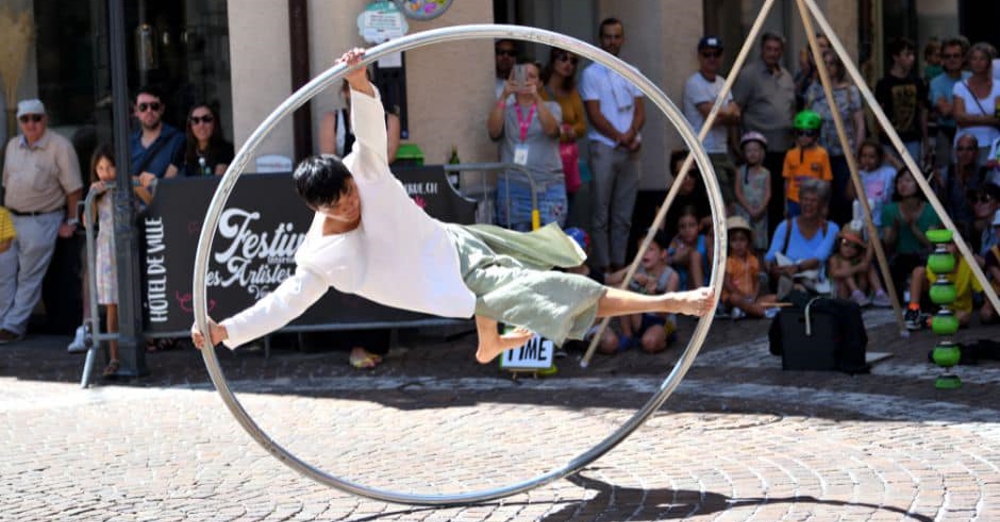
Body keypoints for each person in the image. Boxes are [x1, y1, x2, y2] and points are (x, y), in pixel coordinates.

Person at [189, 48, 715, 364]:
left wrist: (357, 80)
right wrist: (223, 331)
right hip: (452, 285)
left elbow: (368, 124)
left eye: (350, 192)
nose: (353, 204)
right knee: (558, 290)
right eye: (341, 205)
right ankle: (675, 304)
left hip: (457, 242)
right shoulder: (319, 258)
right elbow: (282, 305)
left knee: (544, 260)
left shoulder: (363, 167)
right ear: (318, 209)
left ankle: (490, 346)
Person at [319, 74, 403, 369]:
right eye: (349, 88)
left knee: (378, 265)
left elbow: (387, 155)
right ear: (344, 92)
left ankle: (378, 339)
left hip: (376, 199)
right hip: (344, 201)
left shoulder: (389, 119)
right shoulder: (333, 118)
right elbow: (329, 159)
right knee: (348, 265)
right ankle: (353, 341)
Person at [0, 99, 83, 344]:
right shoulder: (13, 145)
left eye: (36, 118)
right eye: (25, 119)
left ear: (45, 119)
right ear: (19, 122)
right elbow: (6, 183)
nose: (31, 124)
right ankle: (2, 320)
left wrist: (71, 221)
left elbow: (74, 189)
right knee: (3, 272)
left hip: (43, 219)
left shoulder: (60, 146)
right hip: (12, 218)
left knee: (29, 275)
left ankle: (13, 327)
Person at [579, 17, 645, 272]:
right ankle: (603, 269)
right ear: (600, 39)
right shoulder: (590, 73)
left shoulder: (632, 71)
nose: (612, 41)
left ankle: (620, 265)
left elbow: (641, 111)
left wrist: (631, 134)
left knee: (623, 213)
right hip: (604, 147)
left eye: (617, 36)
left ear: (623, 39)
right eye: (608, 36)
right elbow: (594, 114)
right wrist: (621, 137)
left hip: (631, 148)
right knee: (600, 212)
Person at [86, 145, 153, 376]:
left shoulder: (126, 186)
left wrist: (135, 183)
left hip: (129, 248)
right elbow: (88, 221)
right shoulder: (98, 192)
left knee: (133, 301)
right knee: (111, 306)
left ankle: (142, 348)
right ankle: (114, 357)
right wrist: (93, 196)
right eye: (101, 168)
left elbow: (150, 201)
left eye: (111, 167)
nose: (106, 173)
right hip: (106, 251)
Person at [489, 59, 567, 230]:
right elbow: (493, 132)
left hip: (548, 186)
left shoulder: (552, 107)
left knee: (550, 244)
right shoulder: (506, 110)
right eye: (521, 75)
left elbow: (552, 130)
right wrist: (504, 95)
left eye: (531, 76)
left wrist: (536, 98)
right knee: (519, 246)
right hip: (514, 187)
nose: (525, 80)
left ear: (540, 83)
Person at [732, 32, 796, 236]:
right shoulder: (748, 75)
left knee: (778, 199)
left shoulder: (786, 76)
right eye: (768, 49)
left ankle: (776, 245)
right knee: (759, 203)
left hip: (784, 150)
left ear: (782, 52)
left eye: (776, 50)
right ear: (761, 49)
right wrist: (736, 147)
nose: (772, 53)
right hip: (758, 153)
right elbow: (735, 112)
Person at [806, 50, 866, 225]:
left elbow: (860, 124)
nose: (828, 67)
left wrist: (858, 153)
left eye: (832, 63)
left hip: (844, 154)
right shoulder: (813, 91)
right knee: (820, 199)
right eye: (824, 63)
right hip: (818, 153)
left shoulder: (850, 92)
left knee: (844, 199)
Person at [682, 35, 741, 211]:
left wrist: (722, 114)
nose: (712, 58)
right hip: (704, 152)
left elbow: (737, 115)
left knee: (732, 201)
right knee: (721, 204)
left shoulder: (723, 82)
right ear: (699, 56)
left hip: (723, 150)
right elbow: (711, 118)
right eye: (707, 54)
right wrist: (726, 113)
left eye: (716, 54)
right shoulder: (694, 83)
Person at [605, 228, 678, 354]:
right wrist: (628, 274)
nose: (644, 254)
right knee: (620, 288)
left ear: (663, 253)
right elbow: (609, 280)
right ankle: (628, 335)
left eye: (650, 249)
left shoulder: (671, 276)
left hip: (663, 322)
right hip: (639, 318)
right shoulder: (637, 267)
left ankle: (663, 338)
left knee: (649, 343)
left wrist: (649, 289)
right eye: (642, 249)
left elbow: (665, 313)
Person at [765, 179, 839, 299]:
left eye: (813, 200)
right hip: (789, 281)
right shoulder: (786, 226)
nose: (808, 204)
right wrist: (773, 269)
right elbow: (770, 256)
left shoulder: (831, 228)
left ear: (822, 204)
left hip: (819, 284)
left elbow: (819, 258)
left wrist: (796, 268)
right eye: (805, 199)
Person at [881, 167, 941, 303]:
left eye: (908, 180)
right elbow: (888, 243)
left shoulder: (931, 209)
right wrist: (896, 227)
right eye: (899, 181)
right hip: (900, 256)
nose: (902, 184)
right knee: (898, 265)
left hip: (923, 255)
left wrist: (913, 227)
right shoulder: (890, 210)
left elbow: (930, 243)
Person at [540, 48, 587, 216]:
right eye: (564, 58)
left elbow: (582, 126)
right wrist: (564, 132)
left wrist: (569, 131)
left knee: (569, 207)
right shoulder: (540, 91)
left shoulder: (572, 93)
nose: (568, 64)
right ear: (553, 60)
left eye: (573, 61)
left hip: (568, 160)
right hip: (546, 160)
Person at [905, 234, 982, 330]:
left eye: (950, 244)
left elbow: (980, 288)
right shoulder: (936, 261)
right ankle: (913, 311)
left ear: (959, 246)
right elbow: (933, 288)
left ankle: (928, 322)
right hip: (938, 303)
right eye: (942, 244)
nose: (945, 247)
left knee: (964, 317)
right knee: (918, 271)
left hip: (958, 308)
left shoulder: (968, 263)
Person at [875, 38, 930, 168]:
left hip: (912, 139)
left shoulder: (917, 82)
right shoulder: (884, 84)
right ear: (896, 57)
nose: (912, 58)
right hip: (889, 141)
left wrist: (926, 141)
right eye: (907, 55)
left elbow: (922, 112)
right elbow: (878, 115)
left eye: (913, 55)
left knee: (912, 174)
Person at [320, 76, 402, 163]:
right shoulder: (331, 120)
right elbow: (328, 158)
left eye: (364, 87)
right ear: (345, 91)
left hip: (376, 173)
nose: (360, 93)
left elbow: (389, 155)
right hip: (342, 173)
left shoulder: (390, 121)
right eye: (354, 88)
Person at [952, 42, 1000, 166]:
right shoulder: (960, 87)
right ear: (969, 62)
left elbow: (998, 118)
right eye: (974, 59)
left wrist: (970, 118)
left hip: (992, 144)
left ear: (989, 62)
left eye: (982, 59)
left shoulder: (998, 87)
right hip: (964, 146)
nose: (978, 62)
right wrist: (989, 119)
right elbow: (959, 118)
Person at [928, 38, 971, 174]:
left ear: (963, 58)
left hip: (971, 132)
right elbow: (944, 111)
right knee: (943, 175)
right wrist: (966, 102)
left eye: (956, 56)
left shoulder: (972, 78)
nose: (952, 60)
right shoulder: (936, 82)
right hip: (946, 132)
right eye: (947, 56)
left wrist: (953, 104)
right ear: (942, 59)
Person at [721, 216, 777, 319]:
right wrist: (742, 296)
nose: (738, 244)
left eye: (742, 240)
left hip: (751, 298)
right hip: (734, 298)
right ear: (728, 243)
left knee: (774, 298)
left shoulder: (753, 260)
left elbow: (757, 281)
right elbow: (727, 283)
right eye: (734, 240)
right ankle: (761, 312)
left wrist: (754, 297)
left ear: (748, 241)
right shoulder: (729, 261)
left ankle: (746, 311)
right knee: (734, 298)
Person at [782, 109, 833, 217]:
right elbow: (787, 181)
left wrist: (825, 205)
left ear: (816, 134)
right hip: (794, 200)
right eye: (800, 133)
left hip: (816, 201)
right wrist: (786, 204)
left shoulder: (822, 154)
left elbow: (827, 182)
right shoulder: (790, 154)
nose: (803, 137)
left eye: (809, 133)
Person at [130, 86, 185, 181]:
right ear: (136, 111)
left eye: (154, 106)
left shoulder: (177, 140)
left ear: (162, 109)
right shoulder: (129, 144)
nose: (149, 111)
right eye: (143, 107)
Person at [828, 225, 890, 307]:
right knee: (845, 264)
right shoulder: (835, 258)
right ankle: (856, 293)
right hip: (842, 294)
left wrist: (872, 238)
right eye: (845, 243)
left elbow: (867, 262)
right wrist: (857, 268)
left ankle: (880, 293)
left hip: (861, 291)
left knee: (869, 266)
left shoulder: (859, 257)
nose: (849, 248)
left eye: (855, 246)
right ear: (839, 243)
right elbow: (835, 273)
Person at [846, 139, 896, 230]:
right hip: (862, 221)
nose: (867, 160)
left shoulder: (888, 172)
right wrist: (853, 175)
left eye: (872, 157)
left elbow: (905, 173)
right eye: (864, 156)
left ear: (880, 158)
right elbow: (850, 196)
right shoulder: (859, 174)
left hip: (882, 221)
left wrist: (892, 160)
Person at [734, 132, 770, 252]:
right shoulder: (740, 171)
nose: (753, 154)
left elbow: (767, 193)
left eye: (756, 150)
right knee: (744, 238)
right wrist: (749, 208)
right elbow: (738, 192)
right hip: (744, 211)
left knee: (758, 242)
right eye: (749, 151)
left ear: (762, 152)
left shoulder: (766, 173)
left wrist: (760, 209)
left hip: (760, 212)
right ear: (744, 153)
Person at [667, 206, 712, 291]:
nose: (687, 230)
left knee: (695, 255)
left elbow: (714, 266)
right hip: (683, 289)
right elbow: (663, 262)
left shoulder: (705, 240)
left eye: (691, 225)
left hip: (706, 286)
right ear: (678, 229)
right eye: (682, 227)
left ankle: (701, 294)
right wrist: (674, 259)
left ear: (699, 226)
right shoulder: (676, 242)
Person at [183, 103, 234, 177]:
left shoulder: (226, 150)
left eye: (206, 119)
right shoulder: (184, 151)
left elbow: (216, 183)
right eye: (195, 120)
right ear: (190, 126)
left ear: (215, 123)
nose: (201, 125)